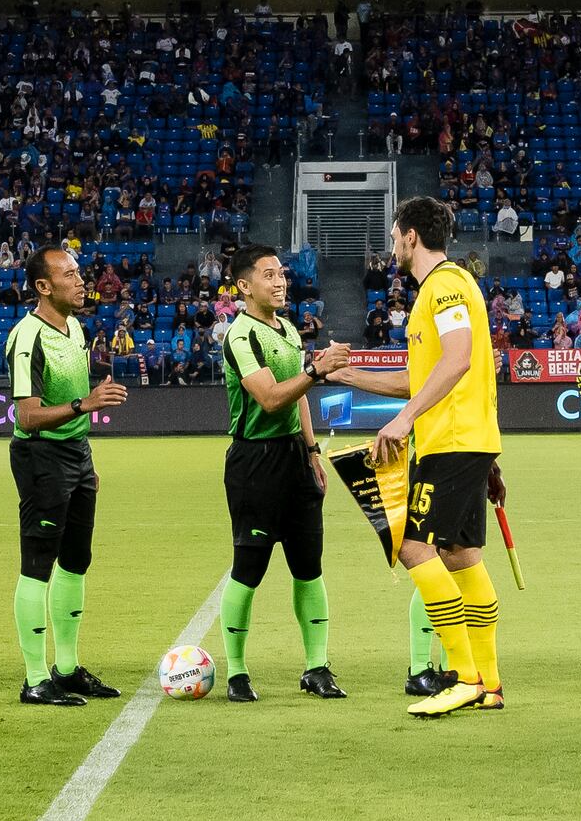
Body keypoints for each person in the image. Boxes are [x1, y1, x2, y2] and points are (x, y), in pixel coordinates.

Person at [371, 194, 509, 715]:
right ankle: (489, 683)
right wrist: (341, 374)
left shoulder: (444, 286)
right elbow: (423, 376)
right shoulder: (448, 286)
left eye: (393, 235)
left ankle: (465, 677)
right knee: (461, 554)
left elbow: (456, 361)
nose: (391, 244)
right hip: (465, 442)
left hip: (449, 442)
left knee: (411, 545)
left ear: (410, 236)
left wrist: (406, 419)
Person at [191, 251, 343, 702]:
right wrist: (317, 369)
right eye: (269, 275)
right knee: (249, 567)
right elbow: (272, 398)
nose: (280, 282)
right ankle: (236, 672)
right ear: (243, 286)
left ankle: (316, 668)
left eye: (282, 274)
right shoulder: (241, 335)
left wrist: (313, 451)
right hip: (254, 464)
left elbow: (298, 398)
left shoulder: (288, 328)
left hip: (295, 459)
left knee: (309, 568)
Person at [3, 241, 124, 706]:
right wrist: (85, 404)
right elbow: (27, 415)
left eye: (78, 272)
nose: (81, 281)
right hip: (40, 457)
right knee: (37, 567)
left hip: (76, 454)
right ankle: (35, 679)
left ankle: (67, 668)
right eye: (69, 275)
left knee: (76, 561)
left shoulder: (74, 327)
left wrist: (84, 441)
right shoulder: (27, 336)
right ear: (42, 286)